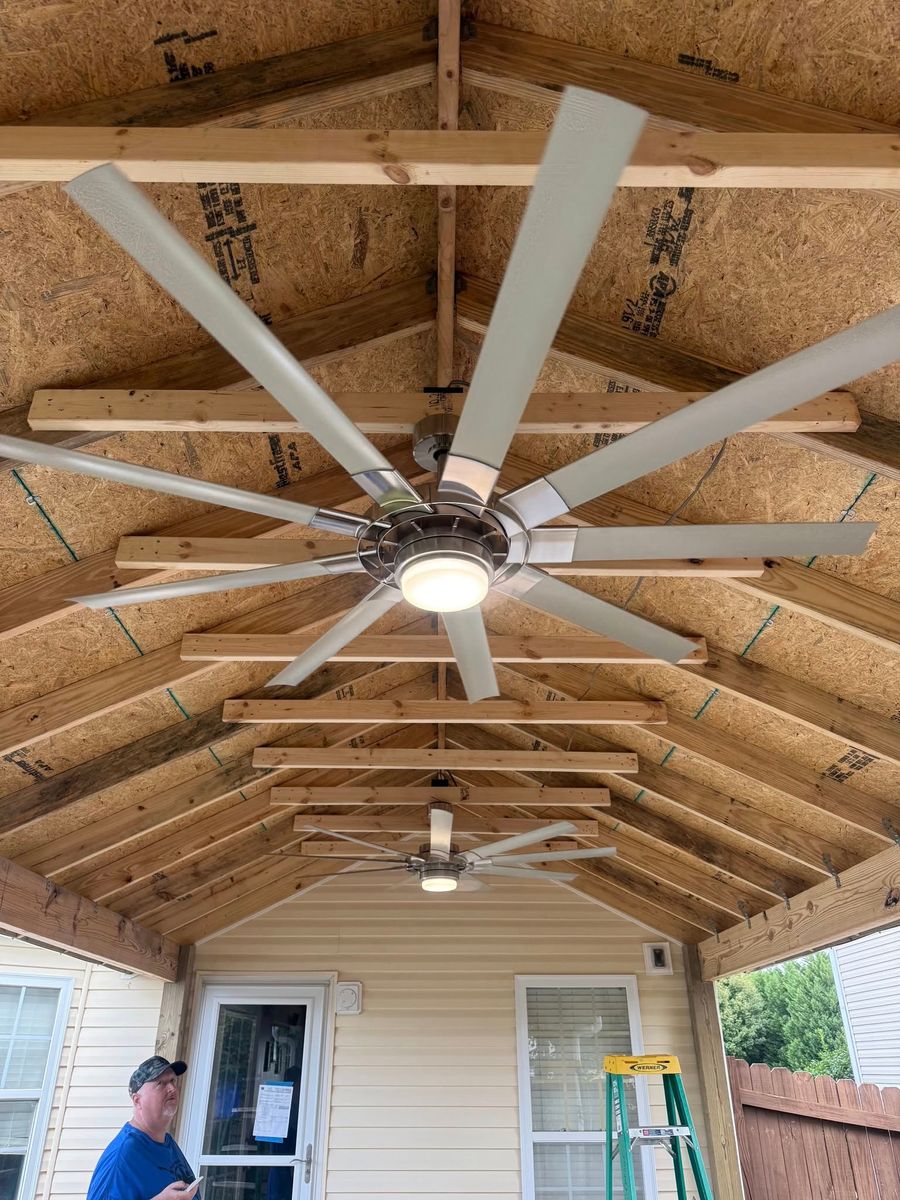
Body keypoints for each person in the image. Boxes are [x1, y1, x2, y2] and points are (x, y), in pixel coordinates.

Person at [86, 1056, 201, 1200]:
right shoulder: (122, 1155)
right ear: (137, 1100)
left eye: (172, 1081)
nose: (172, 1088)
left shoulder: (167, 1142)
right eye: (160, 1083)